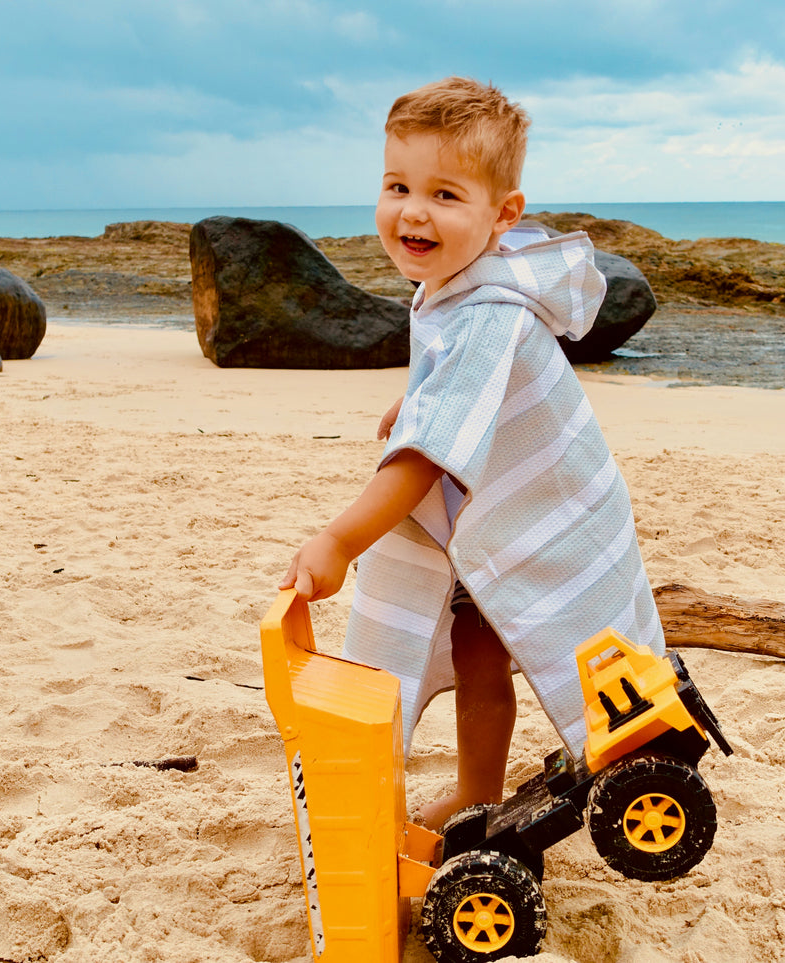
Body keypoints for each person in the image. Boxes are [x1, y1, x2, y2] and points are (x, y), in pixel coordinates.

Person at [281, 77, 665, 830]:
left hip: (538, 515)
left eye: (445, 194)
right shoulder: (452, 283)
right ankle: (478, 790)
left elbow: (426, 458)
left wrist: (339, 538)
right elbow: (453, 378)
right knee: (475, 643)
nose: (413, 210)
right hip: (493, 509)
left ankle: (499, 782)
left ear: (503, 215)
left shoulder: (488, 310)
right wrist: (417, 396)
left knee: (523, 637)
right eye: (397, 185)